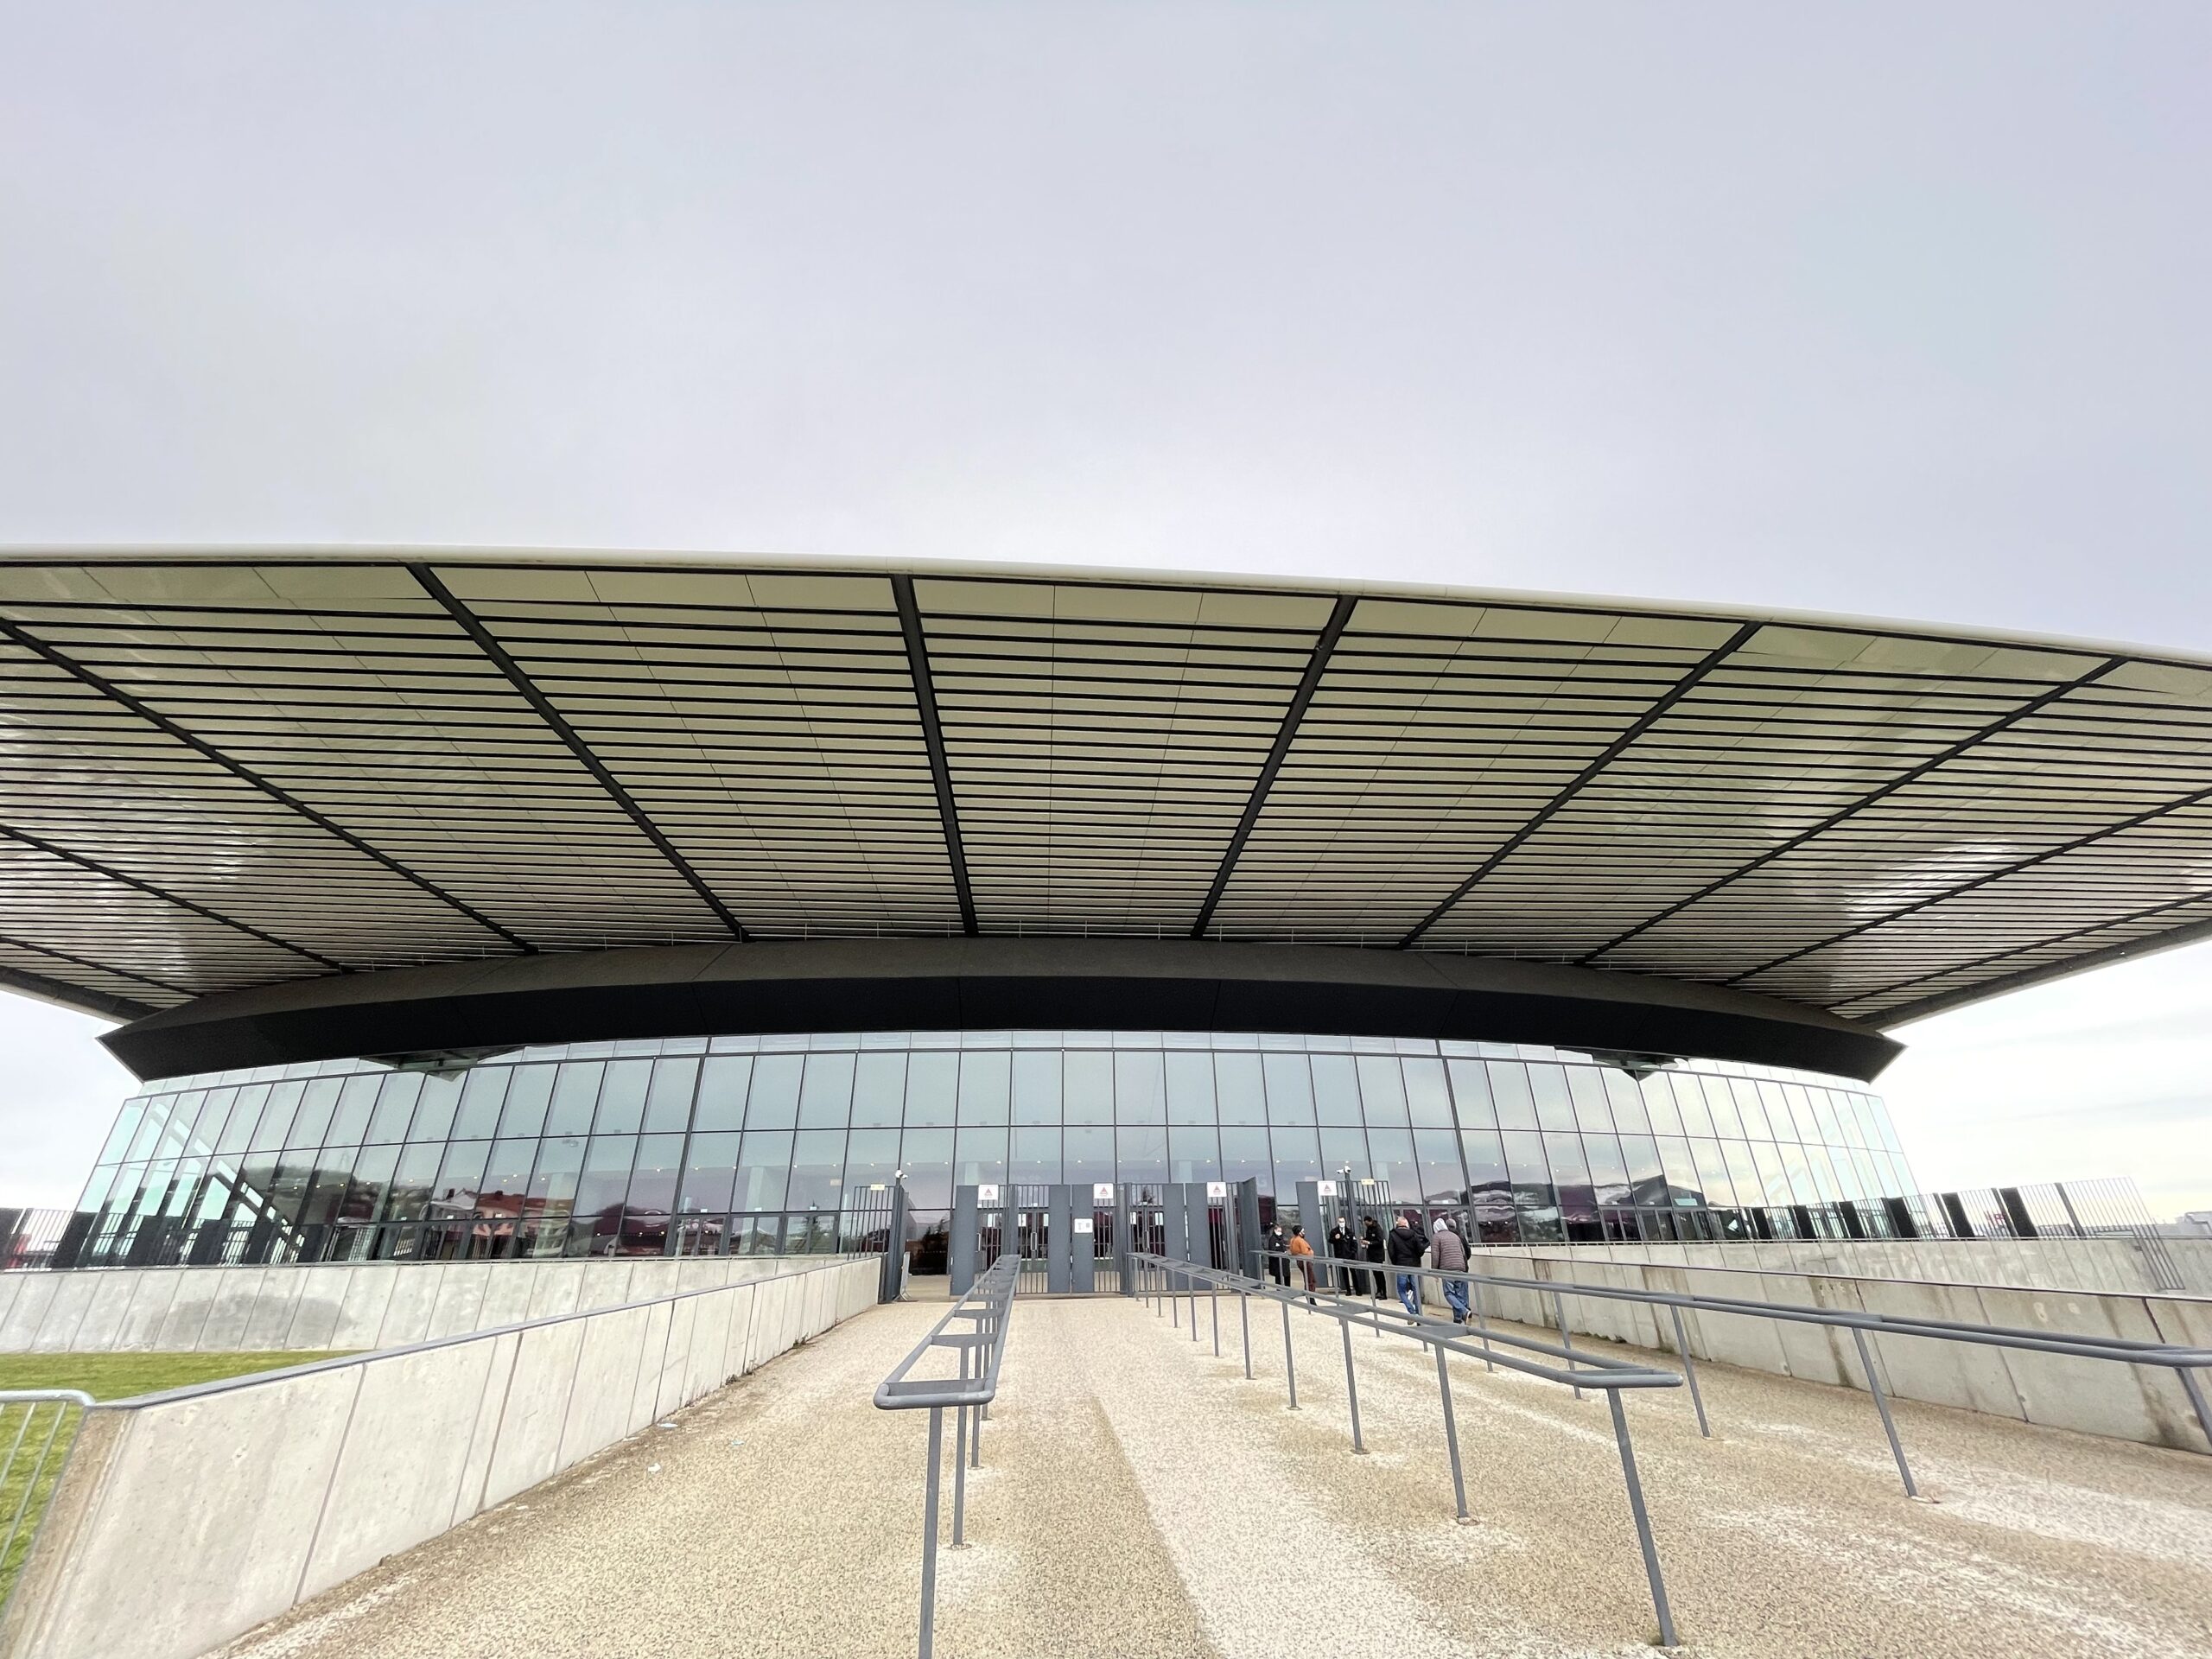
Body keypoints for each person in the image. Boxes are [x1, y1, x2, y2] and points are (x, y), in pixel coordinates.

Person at [1386, 1210, 1427, 1317]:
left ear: (1398, 1224)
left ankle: (1411, 1311)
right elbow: (1420, 1248)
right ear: (1406, 1224)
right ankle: (1418, 1313)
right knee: (1415, 1289)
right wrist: (1417, 1258)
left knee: (1401, 1290)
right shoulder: (1413, 1234)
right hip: (1414, 1265)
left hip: (1401, 1265)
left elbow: (1391, 1251)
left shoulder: (1393, 1234)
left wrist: (1396, 1262)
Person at [1431, 1215, 1471, 1323]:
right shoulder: (1455, 1236)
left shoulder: (1436, 1237)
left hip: (1447, 1269)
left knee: (1449, 1293)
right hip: (1461, 1268)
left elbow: (1435, 1255)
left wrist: (1434, 1272)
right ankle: (1458, 1319)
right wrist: (1464, 1267)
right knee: (1459, 1293)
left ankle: (1464, 1311)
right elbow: (1463, 1253)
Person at [1328, 1215, 1361, 1298]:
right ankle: (1348, 1290)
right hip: (1340, 1255)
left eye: (1343, 1221)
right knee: (1344, 1273)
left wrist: (1352, 1252)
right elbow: (1330, 1240)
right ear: (1338, 1222)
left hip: (1350, 1256)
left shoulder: (1349, 1232)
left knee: (1353, 1273)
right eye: (1340, 1222)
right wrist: (1335, 1238)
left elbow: (1354, 1243)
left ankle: (1358, 1290)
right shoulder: (1334, 1231)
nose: (1342, 1223)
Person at [1287, 1224, 1318, 1303]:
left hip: (1301, 1261)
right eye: (1302, 1231)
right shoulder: (1299, 1240)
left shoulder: (1293, 1240)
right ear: (1299, 1232)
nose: (1304, 1233)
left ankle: (1309, 1296)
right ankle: (1310, 1297)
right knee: (1311, 1280)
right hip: (1305, 1261)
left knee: (1309, 1279)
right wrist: (1311, 1253)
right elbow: (1305, 1252)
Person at [1361, 1215, 1386, 1300]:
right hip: (1372, 1255)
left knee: (1380, 1274)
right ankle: (1379, 1291)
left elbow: (1379, 1241)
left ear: (1370, 1221)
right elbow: (1369, 1238)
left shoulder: (1378, 1229)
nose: (1366, 1225)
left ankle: (1384, 1293)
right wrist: (1364, 1240)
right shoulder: (1369, 1229)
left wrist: (1369, 1243)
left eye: (1367, 1223)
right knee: (1376, 1274)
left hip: (1378, 1255)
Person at [1263, 1219, 1288, 1286]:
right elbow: (1272, 1249)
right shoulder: (1273, 1239)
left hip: (1283, 1260)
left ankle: (1286, 1288)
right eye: (1278, 1231)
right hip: (1277, 1261)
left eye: (1280, 1231)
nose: (1280, 1232)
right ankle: (1280, 1289)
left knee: (1286, 1275)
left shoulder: (1281, 1238)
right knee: (1279, 1276)